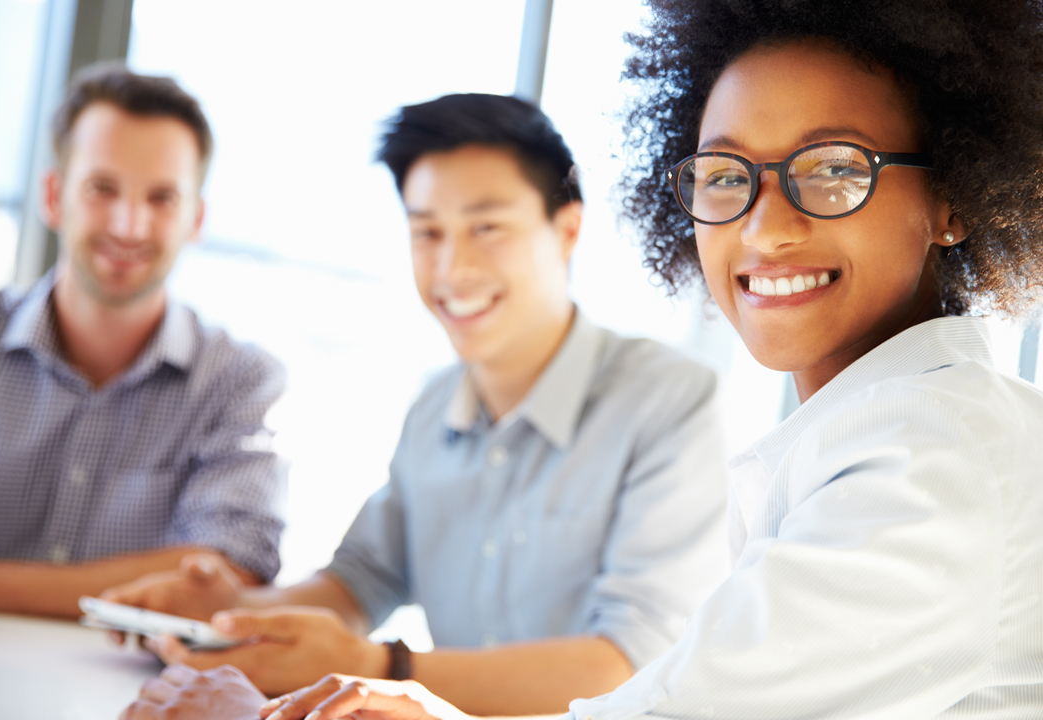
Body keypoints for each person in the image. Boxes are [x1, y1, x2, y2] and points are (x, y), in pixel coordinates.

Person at [118, 0, 1043, 718]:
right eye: (726, 176)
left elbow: (653, 690)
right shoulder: (868, 431)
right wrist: (238, 620)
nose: (766, 224)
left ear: (956, 195)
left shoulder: (935, 454)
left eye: (835, 167)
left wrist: (321, 691)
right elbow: (364, 576)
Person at [106, 93, 730, 715]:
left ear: (566, 229)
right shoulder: (434, 407)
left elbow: (633, 663)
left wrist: (378, 667)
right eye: (427, 232)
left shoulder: (668, 402)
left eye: (487, 227)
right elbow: (360, 581)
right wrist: (229, 614)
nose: (452, 267)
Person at [0, 64, 287, 619]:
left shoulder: (239, 382)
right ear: (53, 195)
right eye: (101, 188)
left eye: (161, 198)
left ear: (196, 218)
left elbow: (230, 571)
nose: (130, 225)